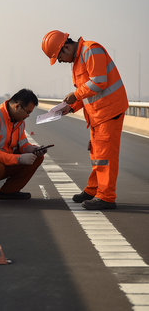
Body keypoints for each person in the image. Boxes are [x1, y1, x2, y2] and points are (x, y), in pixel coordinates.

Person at [42, 30, 128, 210]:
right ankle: (93, 190)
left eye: (59, 58)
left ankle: (106, 197)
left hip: (109, 112)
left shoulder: (91, 50)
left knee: (106, 157)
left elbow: (98, 82)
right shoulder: (78, 60)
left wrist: (75, 94)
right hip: (97, 114)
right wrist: (71, 107)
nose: (61, 62)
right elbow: (88, 92)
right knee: (98, 155)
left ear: (65, 47)